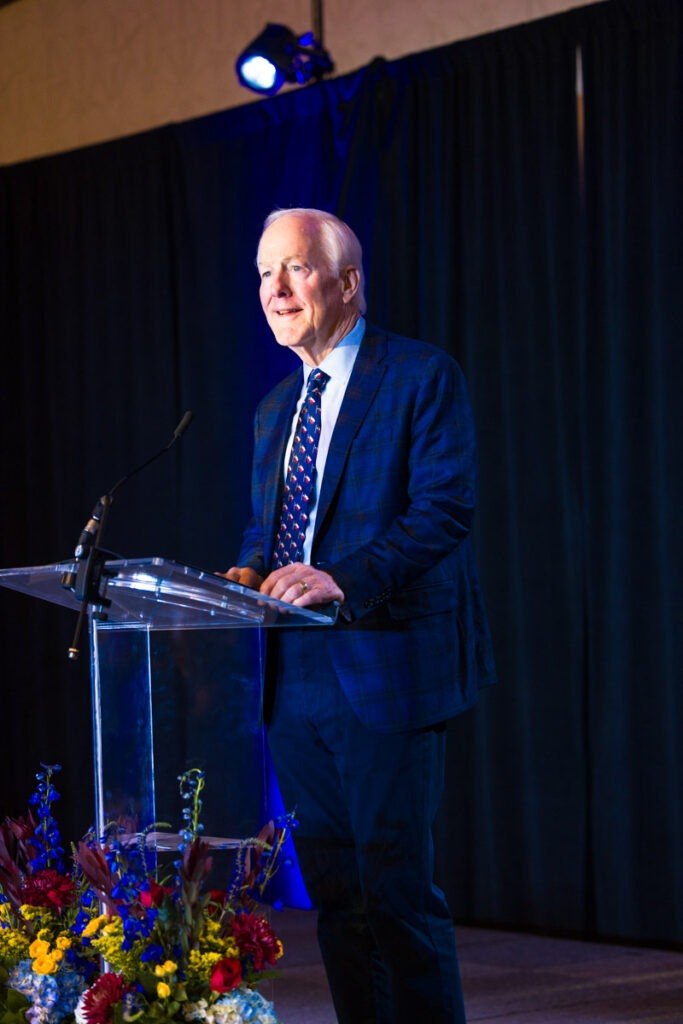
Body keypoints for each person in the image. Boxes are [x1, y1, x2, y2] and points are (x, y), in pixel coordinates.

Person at [224, 208, 495, 1024]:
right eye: (264, 273)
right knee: (337, 899)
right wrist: (248, 571)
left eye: (295, 269)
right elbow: (269, 527)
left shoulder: (418, 375)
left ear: (347, 283)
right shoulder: (274, 408)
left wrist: (339, 580)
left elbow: (444, 509)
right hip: (295, 680)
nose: (275, 290)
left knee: (395, 892)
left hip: (383, 666)